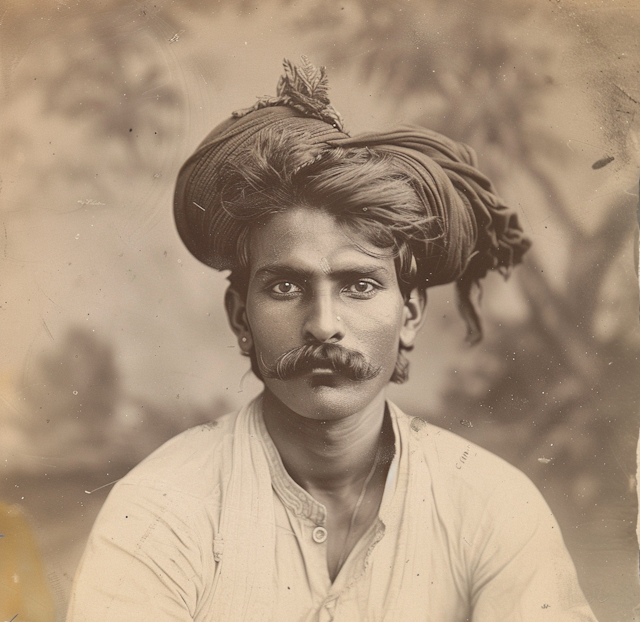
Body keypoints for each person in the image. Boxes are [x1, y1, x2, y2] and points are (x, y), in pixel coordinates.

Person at [66, 58, 597, 621]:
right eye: (286, 285)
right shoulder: (159, 510)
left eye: (359, 285)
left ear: (410, 312)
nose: (323, 324)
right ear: (241, 317)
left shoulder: (492, 506)